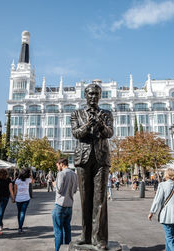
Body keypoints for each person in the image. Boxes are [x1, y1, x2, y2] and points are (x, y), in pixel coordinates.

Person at [71, 83, 114, 250]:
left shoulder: (106, 114)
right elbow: (76, 134)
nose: (93, 97)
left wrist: (101, 124)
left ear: (100, 96)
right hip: (83, 158)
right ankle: (85, 235)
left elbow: (109, 133)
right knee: (85, 200)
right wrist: (88, 124)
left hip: (101, 159)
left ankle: (99, 238)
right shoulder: (77, 114)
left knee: (100, 199)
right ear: (85, 95)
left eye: (96, 94)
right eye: (90, 94)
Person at [148, 168, 174, 251]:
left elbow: (157, 200)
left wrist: (152, 212)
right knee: (169, 237)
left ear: (166, 175)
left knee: (170, 238)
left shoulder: (162, 185)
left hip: (166, 215)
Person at [52, 158, 78, 251]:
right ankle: (67, 248)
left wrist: (54, 184)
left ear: (61, 164)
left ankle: (58, 249)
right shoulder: (74, 174)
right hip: (69, 205)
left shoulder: (61, 174)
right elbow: (75, 190)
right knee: (67, 229)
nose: (57, 167)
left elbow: (59, 189)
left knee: (58, 231)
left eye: (58, 165)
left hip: (60, 205)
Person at [14, 168, 34, 233]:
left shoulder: (17, 180)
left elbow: (15, 191)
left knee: (19, 212)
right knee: (22, 212)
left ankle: (19, 226)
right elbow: (33, 181)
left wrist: (13, 198)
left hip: (18, 199)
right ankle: (20, 228)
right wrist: (31, 175)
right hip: (26, 198)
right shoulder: (28, 180)